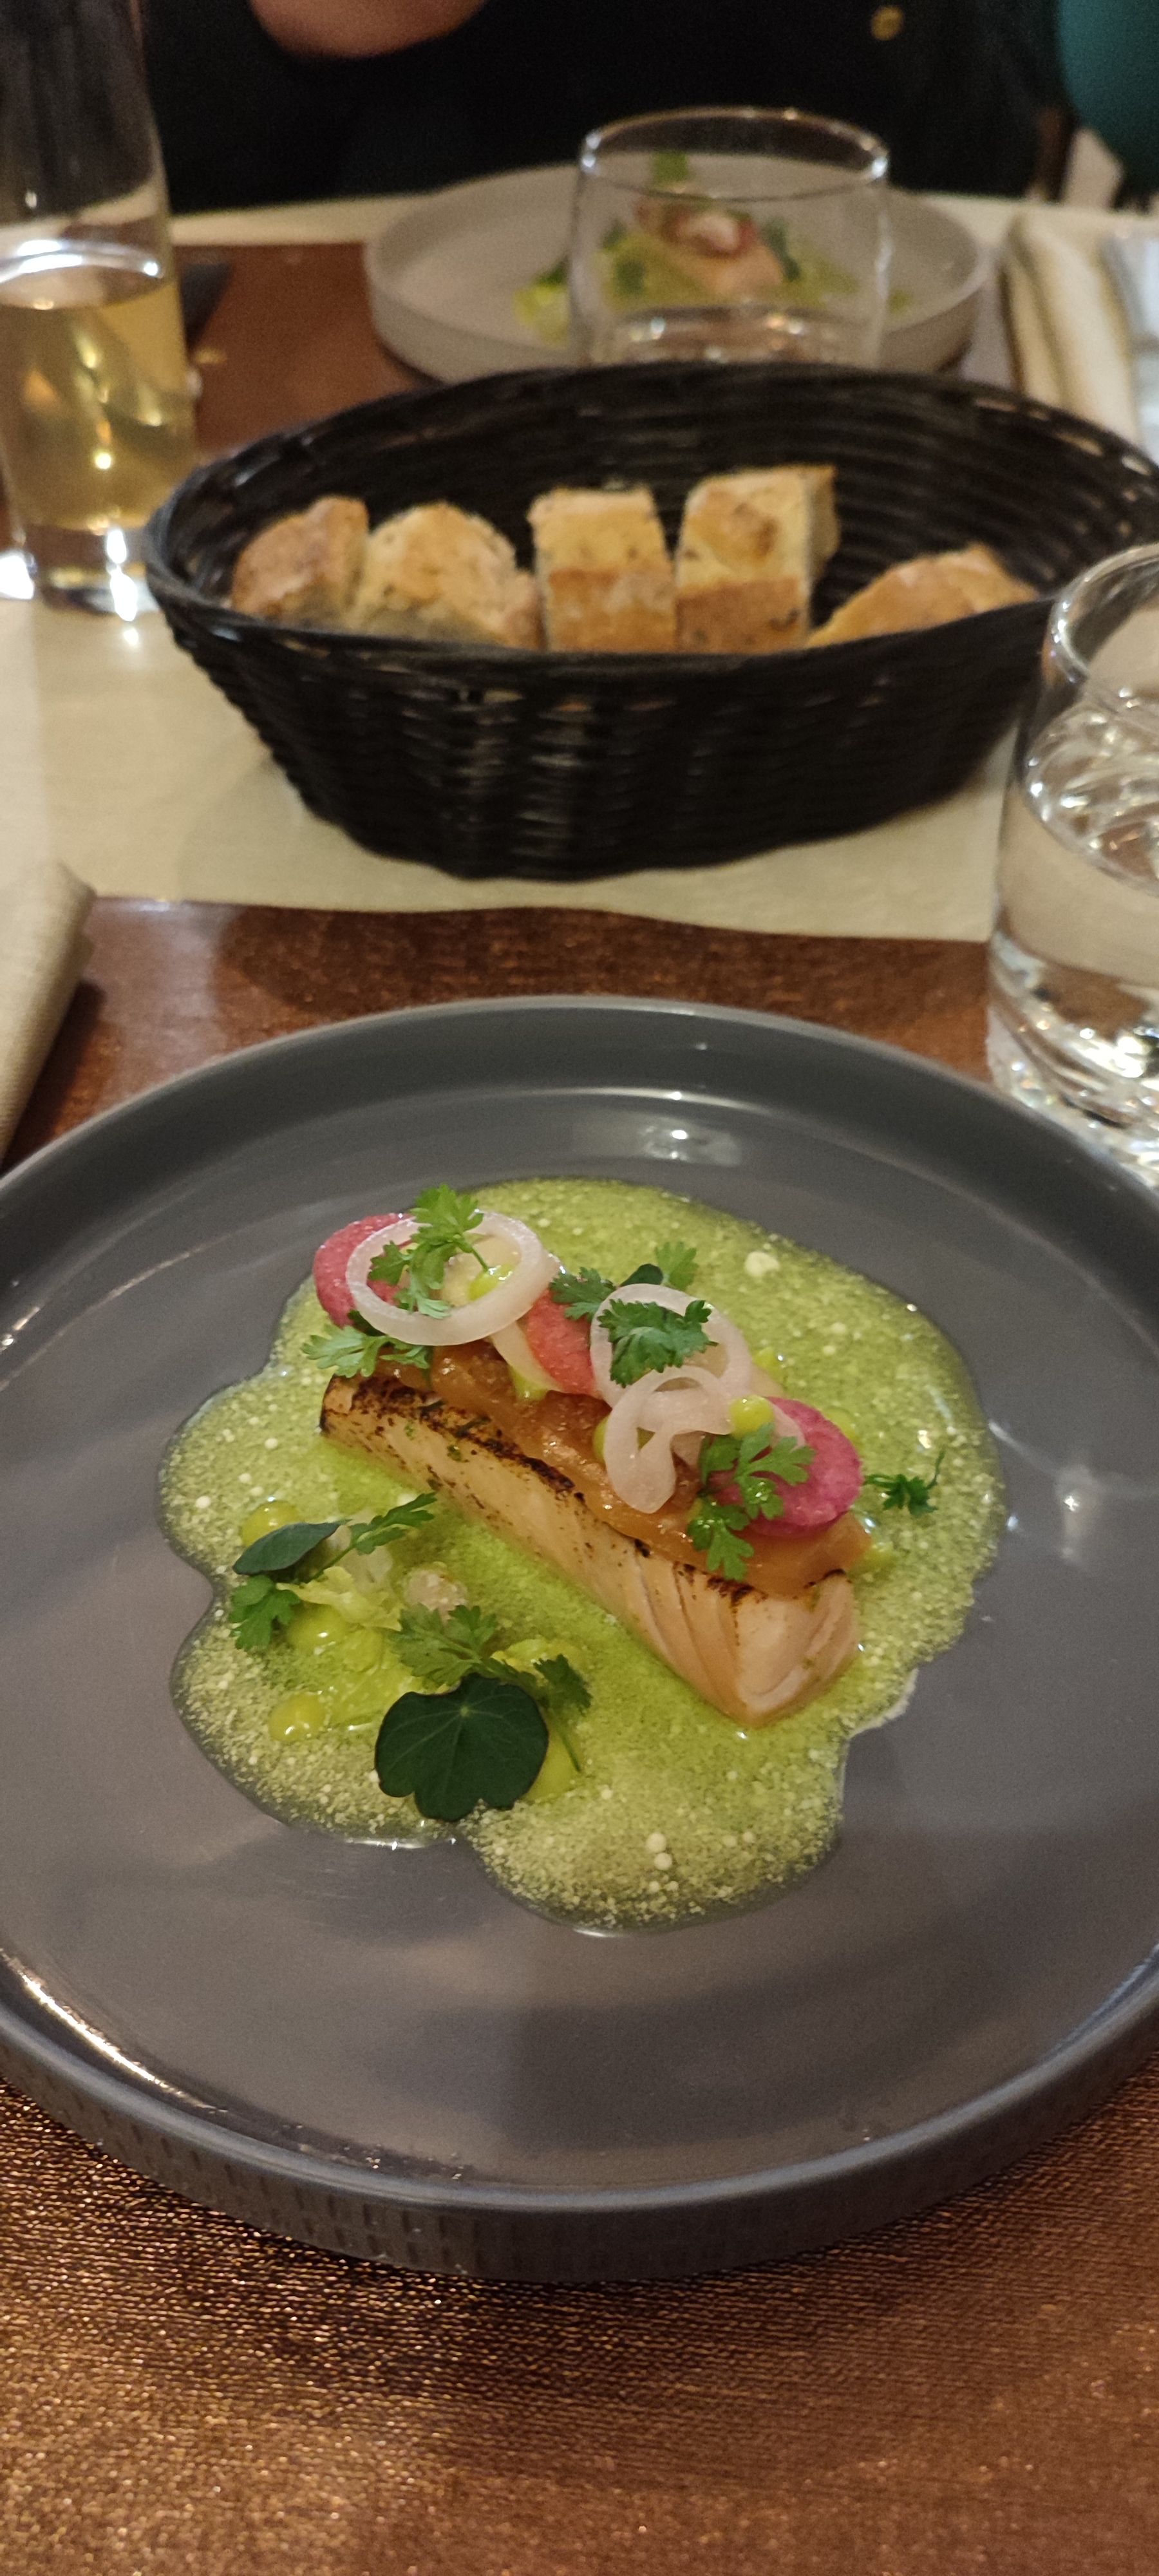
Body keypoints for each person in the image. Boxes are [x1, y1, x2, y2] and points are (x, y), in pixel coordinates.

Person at [144, 0, 1064, 216]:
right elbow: (125, 198)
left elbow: (988, 163)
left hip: (842, 372)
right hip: (367, 367)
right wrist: (277, 29)